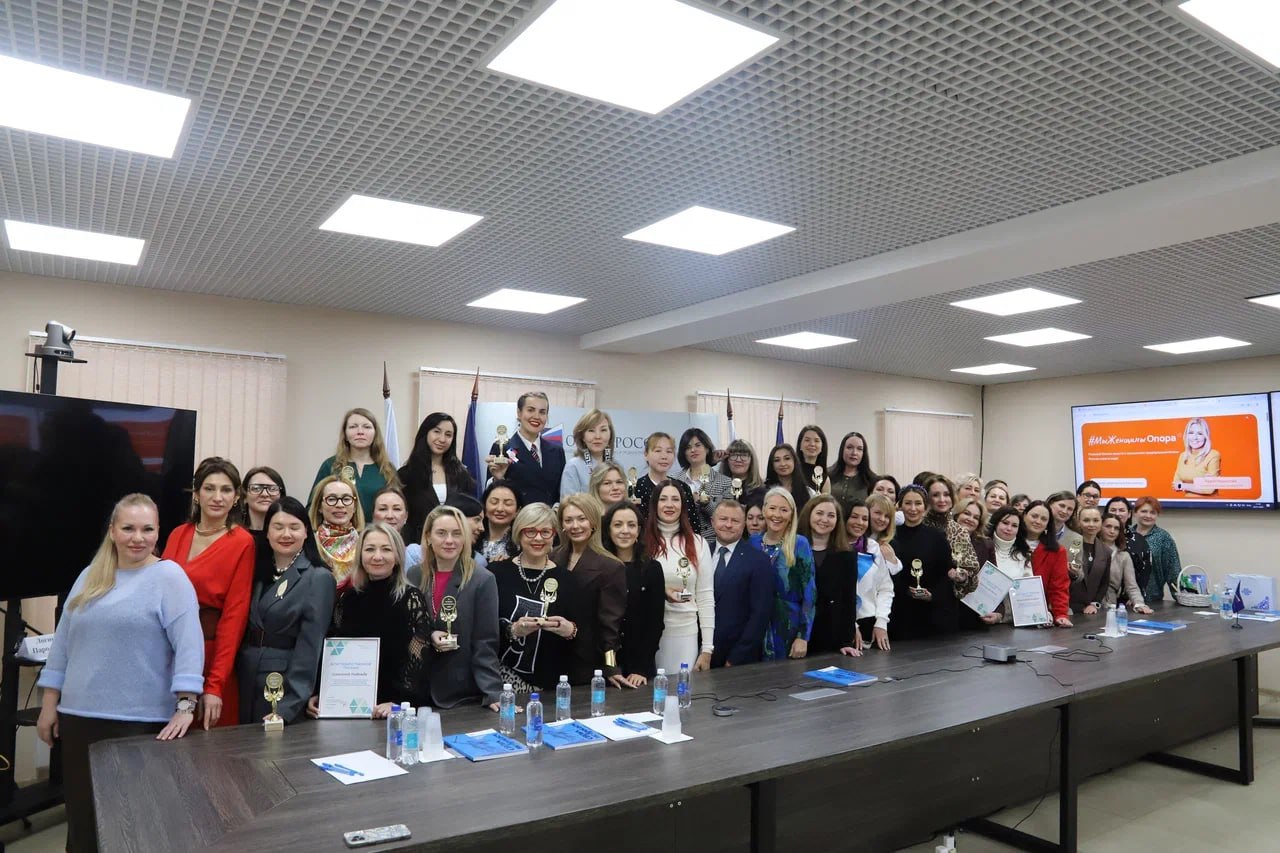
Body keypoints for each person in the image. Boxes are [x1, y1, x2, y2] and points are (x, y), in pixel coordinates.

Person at [37, 494, 204, 853]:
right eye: (128, 528)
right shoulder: (89, 576)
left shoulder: (170, 577)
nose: (137, 538)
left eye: (147, 529)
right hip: (80, 719)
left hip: (140, 724)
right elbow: (63, 644)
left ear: (158, 532)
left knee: (134, 825)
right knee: (83, 824)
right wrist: (49, 704)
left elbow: (190, 646)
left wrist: (186, 706)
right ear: (112, 531)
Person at [162, 457, 255, 729]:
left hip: (209, 655)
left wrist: (215, 684)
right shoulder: (178, 534)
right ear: (196, 493)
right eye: (209, 488)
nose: (217, 497)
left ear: (236, 498)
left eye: (226, 490)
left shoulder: (242, 542)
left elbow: (234, 618)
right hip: (167, 654)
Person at [307, 523, 430, 717]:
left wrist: (398, 703)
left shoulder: (411, 599)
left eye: (386, 549)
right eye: (370, 549)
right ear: (360, 556)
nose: (377, 556)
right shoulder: (347, 600)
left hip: (391, 710)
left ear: (397, 556)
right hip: (350, 708)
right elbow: (334, 653)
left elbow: (419, 661)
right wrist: (322, 694)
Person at [237, 497, 335, 725]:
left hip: (281, 684)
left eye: (294, 527)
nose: (286, 534)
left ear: (306, 532)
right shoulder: (256, 570)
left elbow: (310, 646)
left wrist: (289, 705)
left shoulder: (317, 577)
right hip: (245, 676)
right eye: (278, 527)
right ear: (267, 532)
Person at [417, 506, 503, 710]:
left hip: (461, 695)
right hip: (417, 692)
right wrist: (429, 635)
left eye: (457, 533)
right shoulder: (413, 575)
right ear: (428, 537)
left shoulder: (482, 579)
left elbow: (485, 642)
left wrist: (493, 693)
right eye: (441, 533)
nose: (449, 540)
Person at [492, 503, 580, 692]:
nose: (538, 538)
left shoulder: (568, 580)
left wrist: (570, 630)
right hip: (502, 682)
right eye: (530, 531)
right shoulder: (496, 573)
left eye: (545, 532)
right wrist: (512, 630)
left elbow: (584, 633)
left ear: (554, 535)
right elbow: (482, 630)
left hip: (551, 685)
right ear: (519, 533)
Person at [552, 494, 627, 684]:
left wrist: (611, 667)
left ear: (593, 522)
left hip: (587, 659)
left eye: (582, 519)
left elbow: (610, 626)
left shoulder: (611, 567)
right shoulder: (552, 557)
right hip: (551, 655)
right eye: (569, 520)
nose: (575, 526)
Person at [645, 480, 715, 673]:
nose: (669, 505)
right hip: (646, 634)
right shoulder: (642, 543)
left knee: (682, 689)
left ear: (683, 506)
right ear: (655, 505)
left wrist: (707, 648)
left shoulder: (698, 543)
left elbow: (705, 596)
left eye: (675, 499)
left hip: (685, 634)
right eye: (663, 499)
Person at [601, 502, 665, 687]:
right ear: (608, 530)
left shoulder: (652, 569)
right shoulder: (600, 567)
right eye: (618, 524)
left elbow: (655, 624)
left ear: (639, 530)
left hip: (640, 667)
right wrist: (610, 667)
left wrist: (640, 668)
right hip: (607, 667)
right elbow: (603, 629)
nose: (625, 531)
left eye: (631, 525)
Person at [705, 500, 773, 668]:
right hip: (699, 652)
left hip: (737, 657)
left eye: (735, 521)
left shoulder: (759, 561)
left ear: (743, 525)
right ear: (713, 522)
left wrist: (737, 657)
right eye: (723, 519)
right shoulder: (700, 553)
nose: (728, 525)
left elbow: (760, 614)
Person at [753, 487, 816, 661]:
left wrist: (803, 636)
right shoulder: (753, 543)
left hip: (788, 628)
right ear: (764, 510)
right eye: (772, 508)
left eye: (784, 510)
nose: (777, 515)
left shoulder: (799, 544)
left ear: (791, 514)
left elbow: (810, 592)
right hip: (756, 628)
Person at [398, 412, 477, 544]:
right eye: (437, 432)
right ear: (425, 433)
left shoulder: (461, 474)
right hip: (417, 543)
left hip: (453, 543)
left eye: (448, 435)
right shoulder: (406, 474)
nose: (442, 439)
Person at [888, 485, 952, 640]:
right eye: (908, 503)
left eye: (918, 503)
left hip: (930, 614)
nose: (913, 508)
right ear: (899, 506)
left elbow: (946, 574)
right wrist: (905, 590)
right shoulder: (890, 536)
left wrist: (932, 595)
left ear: (925, 507)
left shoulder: (937, 537)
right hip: (898, 611)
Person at [798, 495, 859, 657]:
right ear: (808, 514)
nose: (824, 519)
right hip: (797, 635)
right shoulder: (792, 549)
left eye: (831, 515)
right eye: (819, 513)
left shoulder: (847, 555)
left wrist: (846, 641)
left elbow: (849, 600)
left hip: (831, 638)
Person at [312, 407, 400, 516]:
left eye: (367, 427)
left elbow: (397, 507)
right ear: (345, 434)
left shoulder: (387, 469)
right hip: (338, 527)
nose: (360, 432)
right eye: (353, 427)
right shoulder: (330, 465)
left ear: (375, 434)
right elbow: (313, 506)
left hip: (376, 527)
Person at [486, 392, 566, 507]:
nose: (536, 416)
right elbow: (491, 496)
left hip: (549, 517)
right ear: (519, 413)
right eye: (530, 410)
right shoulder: (502, 448)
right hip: (518, 516)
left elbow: (561, 492)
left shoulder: (557, 452)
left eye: (542, 412)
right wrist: (498, 479)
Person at [633, 433, 706, 537]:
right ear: (646, 454)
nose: (664, 456)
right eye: (658, 451)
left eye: (669, 451)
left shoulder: (683, 488)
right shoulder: (636, 488)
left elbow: (693, 527)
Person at [921, 475, 980, 588]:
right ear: (927, 498)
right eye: (935, 495)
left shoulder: (959, 532)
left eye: (946, 494)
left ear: (952, 498)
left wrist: (962, 578)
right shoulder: (918, 525)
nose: (942, 500)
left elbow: (972, 575)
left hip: (945, 595)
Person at [858, 495, 900, 650]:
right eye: (877, 513)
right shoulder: (854, 542)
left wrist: (892, 562)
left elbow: (888, 587)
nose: (882, 519)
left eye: (887, 516)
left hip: (881, 618)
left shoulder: (891, 545)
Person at [1022, 501, 1072, 627]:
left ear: (1048, 524)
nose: (1038, 521)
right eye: (1034, 516)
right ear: (1024, 516)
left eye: (1044, 519)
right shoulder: (1010, 543)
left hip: (1038, 614)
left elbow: (1059, 587)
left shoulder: (1057, 551)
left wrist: (1061, 614)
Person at [308, 474, 365, 584]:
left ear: (354, 506)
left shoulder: (365, 544)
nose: (339, 505)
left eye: (346, 499)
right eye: (332, 499)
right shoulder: (308, 544)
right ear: (319, 507)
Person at [979, 507, 1031, 625]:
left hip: (1014, 621)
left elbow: (1029, 590)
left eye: (1014, 525)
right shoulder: (982, 547)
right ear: (996, 523)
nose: (1009, 528)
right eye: (1005, 523)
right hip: (981, 617)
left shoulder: (1024, 554)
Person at [675, 427, 733, 536]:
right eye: (688, 447)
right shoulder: (673, 481)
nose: (693, 450)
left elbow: (727, 518)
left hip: (711, 541)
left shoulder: (725, 482)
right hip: (680, 539)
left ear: (707, 448)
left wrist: (706, 503)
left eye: (698, 445)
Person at [560, 409, 616, 500]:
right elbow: (569, 504)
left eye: (603, 430)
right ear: (582, 437)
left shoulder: (616, 466)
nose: (598, 436)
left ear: (610, 435)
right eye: (591, 430)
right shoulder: (574, 466)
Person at [1134, 496, 1182, 602]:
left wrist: (1180, 598)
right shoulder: (1126, 535)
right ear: (1135, 513)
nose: (1148, 515)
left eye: (1153, 512)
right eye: (1144, 511)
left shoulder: (1163, 538)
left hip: (1152, 599)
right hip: (1124, 600)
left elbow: (1173, 571)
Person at [372, 486, 423, 579]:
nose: (390, 516)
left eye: (397, 509)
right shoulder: (357, 553)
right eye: (383, 509)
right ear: (373, 515)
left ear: (406, 516)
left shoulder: (417, 555)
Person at [1068, 506, 1111, 616]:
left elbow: (1104, 582)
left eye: (1096, 520)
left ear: (1101, 522)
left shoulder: (1106, 551)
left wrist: (1094, 603)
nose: (1091, 524)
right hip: (1067, 607)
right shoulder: (1070, 545)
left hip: (1090, 610)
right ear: (1079, 522)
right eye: (1086, 520)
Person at [1105, 496, 1152, 594]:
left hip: (1132, 597)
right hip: (1102, 596)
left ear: (1129, 514)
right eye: (1113, 510)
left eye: (1121, 510)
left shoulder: (1138, 540)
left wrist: (1136, 596)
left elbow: (1145, 571)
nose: (1117, 513)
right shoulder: (1098, 539)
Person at [829, 431, 876, 516]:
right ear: (842, 450)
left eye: (859, 449)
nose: (854, 453)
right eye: (849, 447)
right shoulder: (827, 475)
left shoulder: (872, 480)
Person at [764, 444, 815, 516]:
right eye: (777, 460)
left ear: (794, 461)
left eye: (787, 458)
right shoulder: (764, 490)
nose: (782, 464)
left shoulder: (809, 492)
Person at [240, 466, 286, 547]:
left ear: (281, 495)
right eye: (256, 488)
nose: (265, 494)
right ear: (244, 496)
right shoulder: (233, 533)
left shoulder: (287, 535)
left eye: (272, 489)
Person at [1174, 417, 1221, 495]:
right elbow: (1175, 485)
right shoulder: (1183, 456)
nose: (1195, 437)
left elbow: (1209, 489)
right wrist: (1199, 485)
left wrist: (1183, 485)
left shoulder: (1213, 455)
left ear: (1205, 436)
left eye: (1200, 433)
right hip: (1186, 501)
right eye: (1191, 433)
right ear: (1186, 435)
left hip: (1208, 502)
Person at [478, 481, 521, 564]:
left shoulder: (521, 543)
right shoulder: (472, 537)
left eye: (508, 504)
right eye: (494, 502)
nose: (500, 509)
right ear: (484, 506)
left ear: (518, 511)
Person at [717, 439, 765, 506]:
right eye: (733, 455)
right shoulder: (717, 488)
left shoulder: (761, 491)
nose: (738, 460)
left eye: (744, 455)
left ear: (751, 460)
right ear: (727, 460)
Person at [1047, 490, 1084, 579]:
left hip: (1061, 584)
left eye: (1069, 509)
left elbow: (1080, 575)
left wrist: (1074, 573)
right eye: (1062, 506)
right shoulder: (1037, 531)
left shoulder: (1077, 539)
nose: (1064, 511)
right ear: (1050, 504)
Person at [953, 496, 994, 570]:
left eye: (976, 518)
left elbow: (992, 574)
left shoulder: (986, 545)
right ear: (957, 515)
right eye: (967, 513)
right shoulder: (942, 537)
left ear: (979, 523)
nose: (970, 519)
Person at [796, 425, 831, 494]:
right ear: (800, 445)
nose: (812, 444)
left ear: (822, 447)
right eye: (807, 440)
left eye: (816, 441)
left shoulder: (824, 478)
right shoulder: (792, 471)